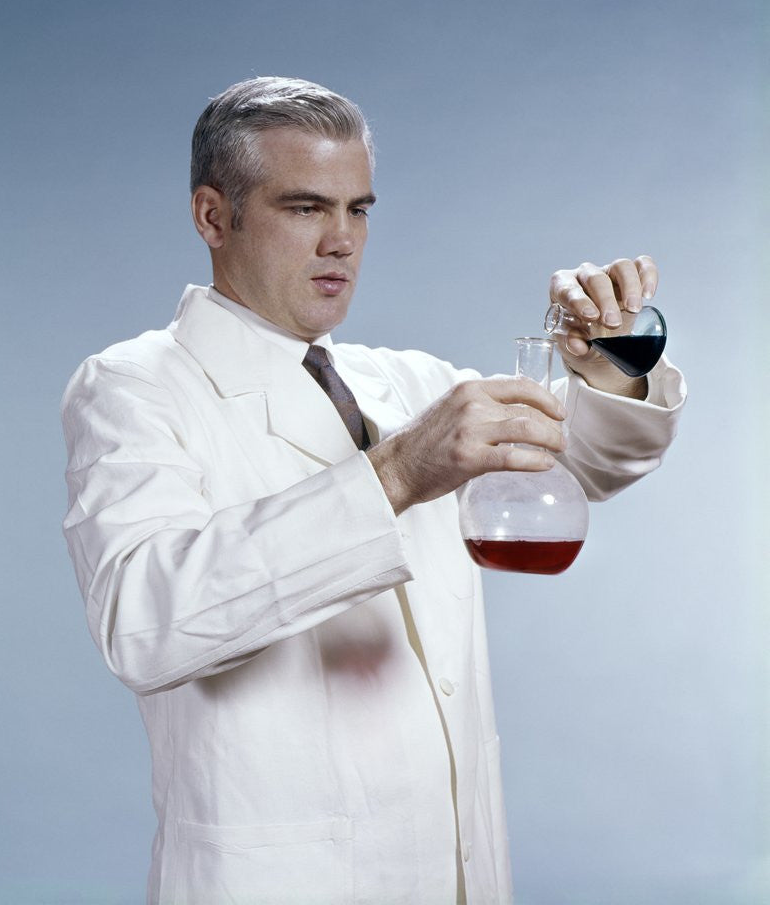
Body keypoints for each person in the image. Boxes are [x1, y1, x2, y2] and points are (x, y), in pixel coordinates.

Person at [61, 77, 685, 905]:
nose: (341, 242)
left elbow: (585, 466)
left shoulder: (406, 382)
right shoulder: (134, 386)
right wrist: (393, 475)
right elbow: (143, 622)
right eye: (304, 208)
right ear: (213, 216)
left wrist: (608, 363)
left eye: (358, 210)